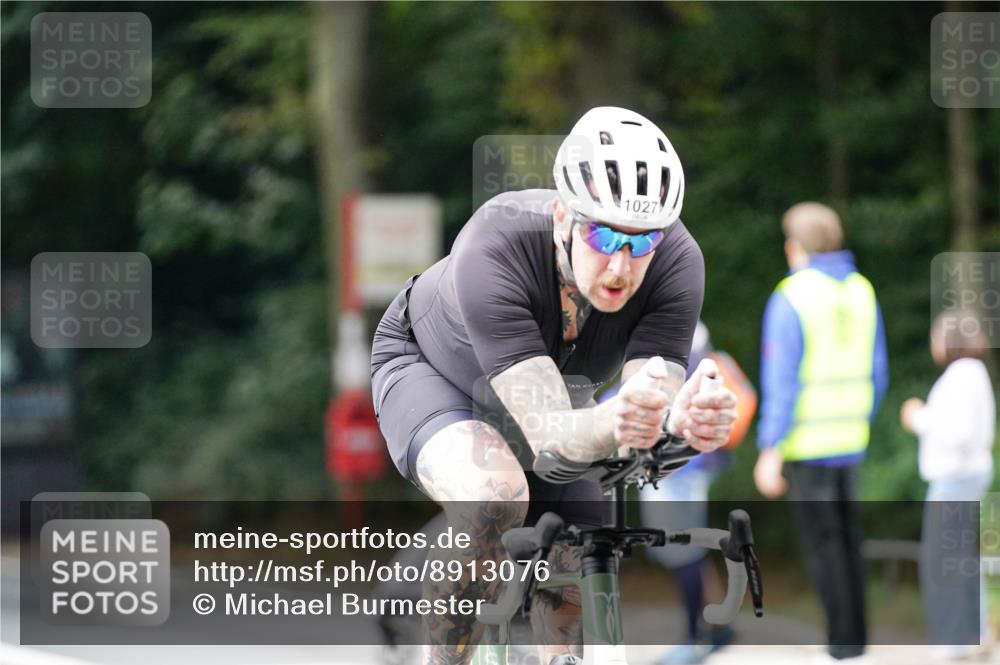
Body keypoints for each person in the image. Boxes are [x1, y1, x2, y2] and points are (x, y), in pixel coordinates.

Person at [370, 107, 738, 665]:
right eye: (604, 235)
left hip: (558, 394)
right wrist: (618, 419)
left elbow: (648, 400)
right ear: (563, 215)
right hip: (434, 370)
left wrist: (681, 422)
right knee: (495, 497)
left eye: (642, 243)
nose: (621, 266)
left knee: (580, 539)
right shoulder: (497, 241)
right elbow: (550, 432)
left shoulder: (677, 262)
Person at [753, 202, 888, 663]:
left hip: (808, 445)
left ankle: (839, 647)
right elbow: (878, 371)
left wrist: (771, 447)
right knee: (850, 543)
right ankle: (856, 643)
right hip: (852, 440)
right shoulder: (862, 289)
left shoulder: (792, 294)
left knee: (824, 547)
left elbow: (782, 379)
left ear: (795, 247)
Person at [900, 310, 996, 661]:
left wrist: (918, 418)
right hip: (969, 475)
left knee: (944, 560)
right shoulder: (974, 373)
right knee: (962, 558)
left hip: (955, 477)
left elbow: (958, 432)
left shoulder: (961, 376)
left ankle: (955, 641)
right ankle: (977, 632)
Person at [638, 321, 734, 665]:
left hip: (677, 467)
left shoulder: (674, 336)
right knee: (690, 549)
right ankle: (718, 627)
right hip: (687, 465)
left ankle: (694, 638)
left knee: (683, 551)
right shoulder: (692, 334)